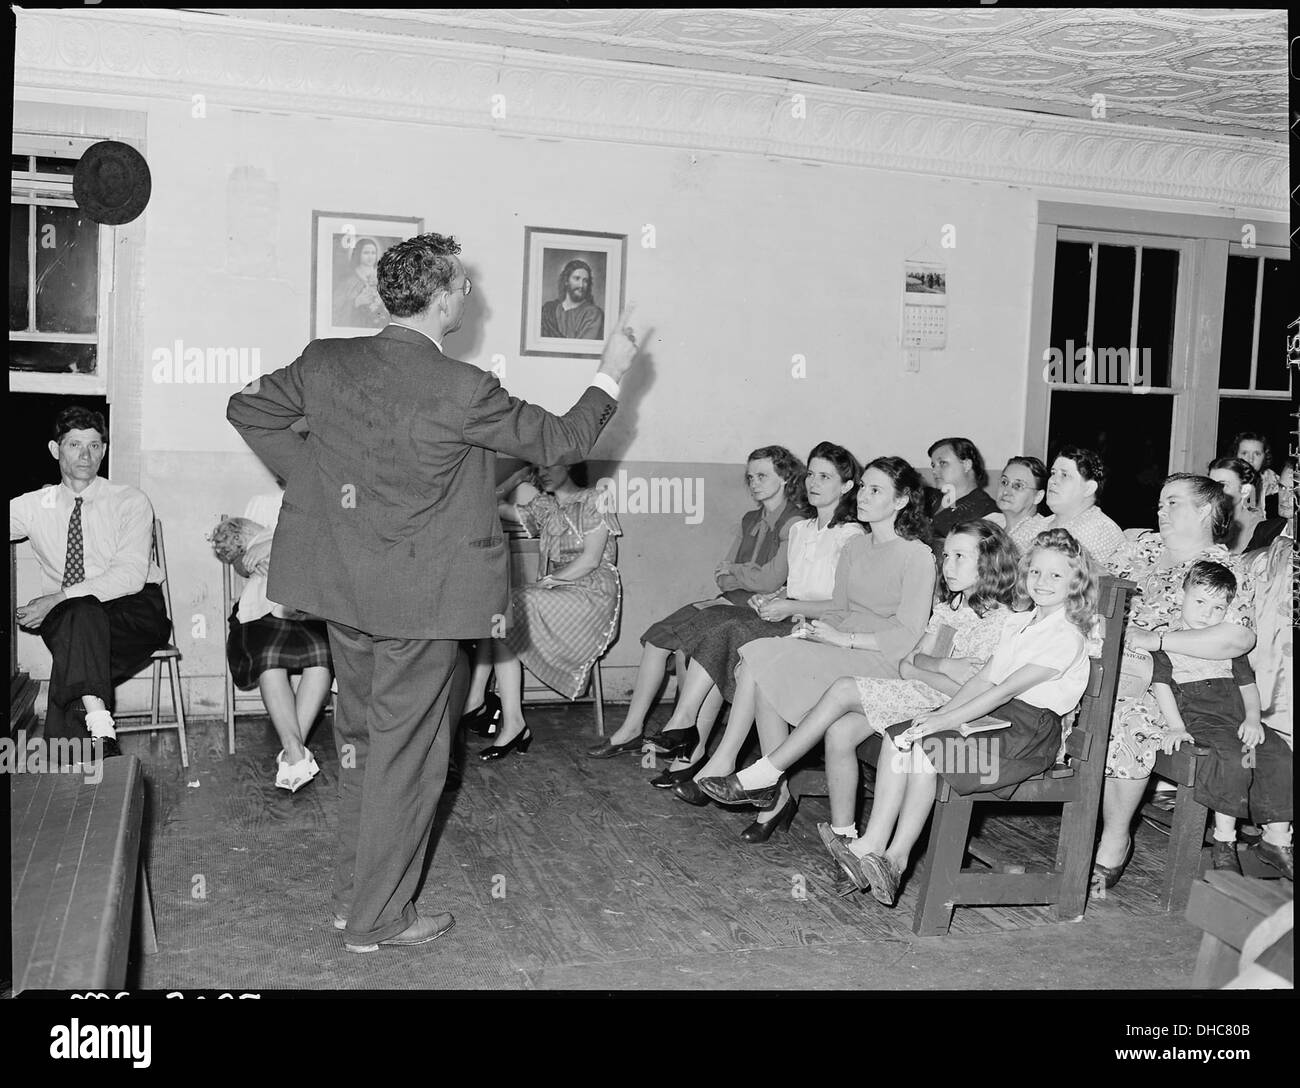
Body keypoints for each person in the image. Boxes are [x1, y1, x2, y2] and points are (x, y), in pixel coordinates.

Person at [227, 231, 640, 954]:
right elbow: (567, 439)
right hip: (424, 600)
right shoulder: (462, 387)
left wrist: (320, 486)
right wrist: (612, 371)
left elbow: (247, 408)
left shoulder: (324, 360)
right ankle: (377, 919)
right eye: (463, 288)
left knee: (361, 740)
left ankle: (361, 895)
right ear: (443, 296)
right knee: (410, 756)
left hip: (347, 592)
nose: (465, 298)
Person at [822, 528, 1098, 906]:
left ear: (1076, 581)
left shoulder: (1066, 636)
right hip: (997, 718)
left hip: (1025, 738)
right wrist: (939, 715)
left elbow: (1002, 690)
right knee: (900, 735)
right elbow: (984, 678)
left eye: (1055, 575)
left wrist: (944, 722)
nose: (1042, 582)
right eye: (1035, 572)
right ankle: (871, 843)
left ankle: (896, 859)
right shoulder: (1024, 623)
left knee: (926, 748)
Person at [699, 520, 1018, 827]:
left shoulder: (999, 622)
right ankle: (844, 835)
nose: (947, 566)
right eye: (946, 556)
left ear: (989, 562)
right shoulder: (951, 609)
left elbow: (967, 691)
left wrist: (924, 669)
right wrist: (942, 666)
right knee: (839, 732)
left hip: (950, 712)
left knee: (842, 689)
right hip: (915, 695)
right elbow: (908, 664)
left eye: (960, 557)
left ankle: (766, 773)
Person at [686, 456, 936, 840]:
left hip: (883, 659)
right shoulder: (856, 547)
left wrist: (843, 639)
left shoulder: (917, 555)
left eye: (875, 490)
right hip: (843, 645)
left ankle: (763, 775)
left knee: (767, 662)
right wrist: (814, 630)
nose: (864, 496)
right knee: (764, 655)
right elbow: (839, 609)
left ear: (901, 501)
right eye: (864, 487)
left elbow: (908, 634)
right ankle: (765, 778)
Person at [648, 443, 864, 768]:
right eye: (811, 475)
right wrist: (774, 598)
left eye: (825, 477)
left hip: (820, 628)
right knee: (718, 625)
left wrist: (787, 605)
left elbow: (843, 605)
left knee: (732, 630)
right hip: (793, 616)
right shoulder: (803, 529)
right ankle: (685, 724)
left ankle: (697, 742)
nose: (814, 483)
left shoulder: (851, 536)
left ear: (846, 486)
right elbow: (794, 585)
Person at [587, 446, 808, 762]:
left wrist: (738, 573)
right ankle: (632, 729)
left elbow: (770, 582)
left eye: (763, 476)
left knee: (687, 650)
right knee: (656, 638)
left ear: (786, 477)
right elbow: (722, 574)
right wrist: (739, 574)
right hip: (729, 599)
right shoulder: (750, 519)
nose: (754, 483)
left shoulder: (794, 522)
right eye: (750, 477)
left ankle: (689, 744)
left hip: (756, 610)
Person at [1092, 474, 1256, 890]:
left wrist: (1158, 640)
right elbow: (1092, 591)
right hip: (1105, 662)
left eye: (1173, 503)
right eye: (1160, 504)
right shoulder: (1140, 547)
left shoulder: (1224, 568)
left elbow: (1237, 638)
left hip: (1176, 684)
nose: (1160, 511)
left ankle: (1114, 836)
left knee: (1125, 711)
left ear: (1204, 511)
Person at [9, 407, 171, 759]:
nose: (85, 455)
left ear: (104, 450)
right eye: (74, 445)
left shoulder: (130, 500)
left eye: (94, 446)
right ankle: (100, 728)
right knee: (79, 619)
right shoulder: (35, 504)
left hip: (132, 611)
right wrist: (62, 602)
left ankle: (69, 760)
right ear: (55, 450)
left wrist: (56, 598)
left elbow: (128, 576)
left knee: (77, 628)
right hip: (71, 618)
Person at [471, 462, 622, 760]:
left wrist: (549, 581)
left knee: (508, 605)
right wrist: (517, 475)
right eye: (538, 468)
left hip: (591, 593)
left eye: (550, 466)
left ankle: (478, 704)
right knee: (498, 607)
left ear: (570, 466)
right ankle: (507, 719)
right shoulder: (544, 506)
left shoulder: (595, 498)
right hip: (556, 590)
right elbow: (491, 502)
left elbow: (591, 560)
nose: (543, 472)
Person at [1151, 560, 1292, 878]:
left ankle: (1277, 840)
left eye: (1217, 607)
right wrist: (1176, 726)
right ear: (1181, 594)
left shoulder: (1228, 646)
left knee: (1278, 753)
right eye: (1199, 601)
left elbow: (1248, 686)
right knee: (1232, 758)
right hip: (1202, 721)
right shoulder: (1167, 642)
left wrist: (1254, 719)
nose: (1205, 613)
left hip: (1238, 719)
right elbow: (1161, 687)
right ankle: (1224, 840)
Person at [209, 491, 334, 792]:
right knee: (268, 656)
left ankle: (293, 753)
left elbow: (325, 544)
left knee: (323, 655)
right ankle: (294, 751)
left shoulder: (325, 493)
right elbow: (237, 556)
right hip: (260, 606)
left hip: (305, 602)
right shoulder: (262, 502)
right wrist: (250, 560)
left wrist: (273, 543)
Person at [1019, 446, 1125, 568]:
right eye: (1053, 473)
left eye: (1064, 475)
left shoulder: (1101, 530)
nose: (1053, 480)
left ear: (1089, 488)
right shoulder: (1037, 525)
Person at [926, 437, 998, 557]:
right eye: (933, 465)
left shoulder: (987, 512)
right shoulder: (929, 500)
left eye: (942, 463)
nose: (934, 470)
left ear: (966, 465)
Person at [1207, 456, 1287, 555]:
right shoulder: (1206, 519)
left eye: (1222, 485)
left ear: (1245, 490)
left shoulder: (1260, 529)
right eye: (1210, 485)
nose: (1212, 492)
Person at [986, 456, 1047, 550]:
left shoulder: (1041, 536)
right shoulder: (991, 520)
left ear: (1038, 496)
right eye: (1004, 482)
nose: (1006, 491)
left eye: (1018, 486)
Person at [540, 258, 604, 340]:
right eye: (577, 279)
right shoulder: (548, 309)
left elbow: (582, 348)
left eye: (585, 281)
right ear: (566, 281)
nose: (581, 285)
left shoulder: (593, 313)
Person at [332, 237, 387, 328]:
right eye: (366, 253)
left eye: (373, 253)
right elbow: (336, 310)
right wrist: (357, 302)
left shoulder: (383, 279)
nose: (370, 257)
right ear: (358, 254)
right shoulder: (349, 282)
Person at [1229, 431, 1279, 516]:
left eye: (1257, 454)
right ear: (1235, 455)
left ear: (1265, 457)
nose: (1250, 459)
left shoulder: (1267, 477)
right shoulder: (1227, 479)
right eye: (1244, 453)